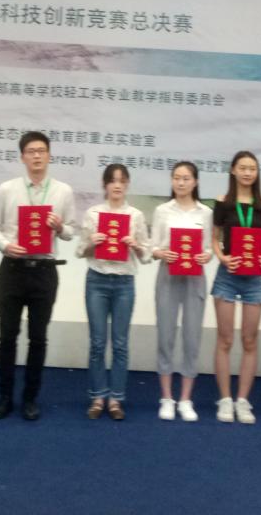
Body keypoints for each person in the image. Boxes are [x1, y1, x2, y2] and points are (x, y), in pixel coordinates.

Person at [0, 131, 76, 421]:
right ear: (22, 157)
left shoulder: (63, 191)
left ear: (49, 155)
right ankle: (4, 396)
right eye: (31, 151)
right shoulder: (7, 189)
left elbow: (72, 231)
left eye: (41, 151)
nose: (37, 156)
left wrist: (60, 227)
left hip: (44, 271)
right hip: (12, 269)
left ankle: (30, 398)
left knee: (38, 338)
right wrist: (5, 245)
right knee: (7, 336)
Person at [77, 164, 149, 420]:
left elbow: (146, 256)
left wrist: (136, 245)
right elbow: (80, 251)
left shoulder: (135, 215)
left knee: (120, 344)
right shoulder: (93, 214)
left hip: (124, 283)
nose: (117, 185)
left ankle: (116, 399)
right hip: (97, 280)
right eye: (112, 181)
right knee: (97, 343)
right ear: (104, 185)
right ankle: (98, 397)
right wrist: (91, 243)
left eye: (122, 181)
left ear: (127, 184)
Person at [211, 151, 261, 424]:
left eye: (252, 169)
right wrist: (223, 258)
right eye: (243, 168)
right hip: (228, 274)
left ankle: (243, 401)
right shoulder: (222, 202)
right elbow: (214, 239)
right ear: (233, 171)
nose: (248, 173)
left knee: (249, 340)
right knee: (225, 339)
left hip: (254, 278)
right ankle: (225, 399)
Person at [150, 161, 213, 422]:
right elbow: (152, 247)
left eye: (186, 178)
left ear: (195, 182)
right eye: (176, 177)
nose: (181, 182)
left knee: (191, 338)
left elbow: (208, 248)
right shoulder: (162, 210)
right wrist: (161, 253)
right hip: (168, 275)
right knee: (165, 336)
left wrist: (206, 256)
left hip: (194, 277)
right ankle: (166, 397)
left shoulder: (205, 212)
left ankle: (186, 399)